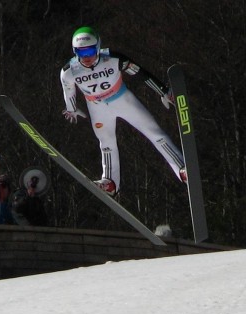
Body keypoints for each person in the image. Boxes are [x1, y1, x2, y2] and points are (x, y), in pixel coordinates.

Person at [60, 26, 187, 197]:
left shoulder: (114, 58)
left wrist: (163, 91)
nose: (86, 57)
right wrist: (71, 109)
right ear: (75, 51)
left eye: (90, 51)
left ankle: (181, 169)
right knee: (106, 143)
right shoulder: (69, 71)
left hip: (123, 100)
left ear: (98, 47)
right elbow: (68, 92)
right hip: (97, 108)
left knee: (154, 132)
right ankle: (110, 182)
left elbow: (141, 73)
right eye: (81, 52)